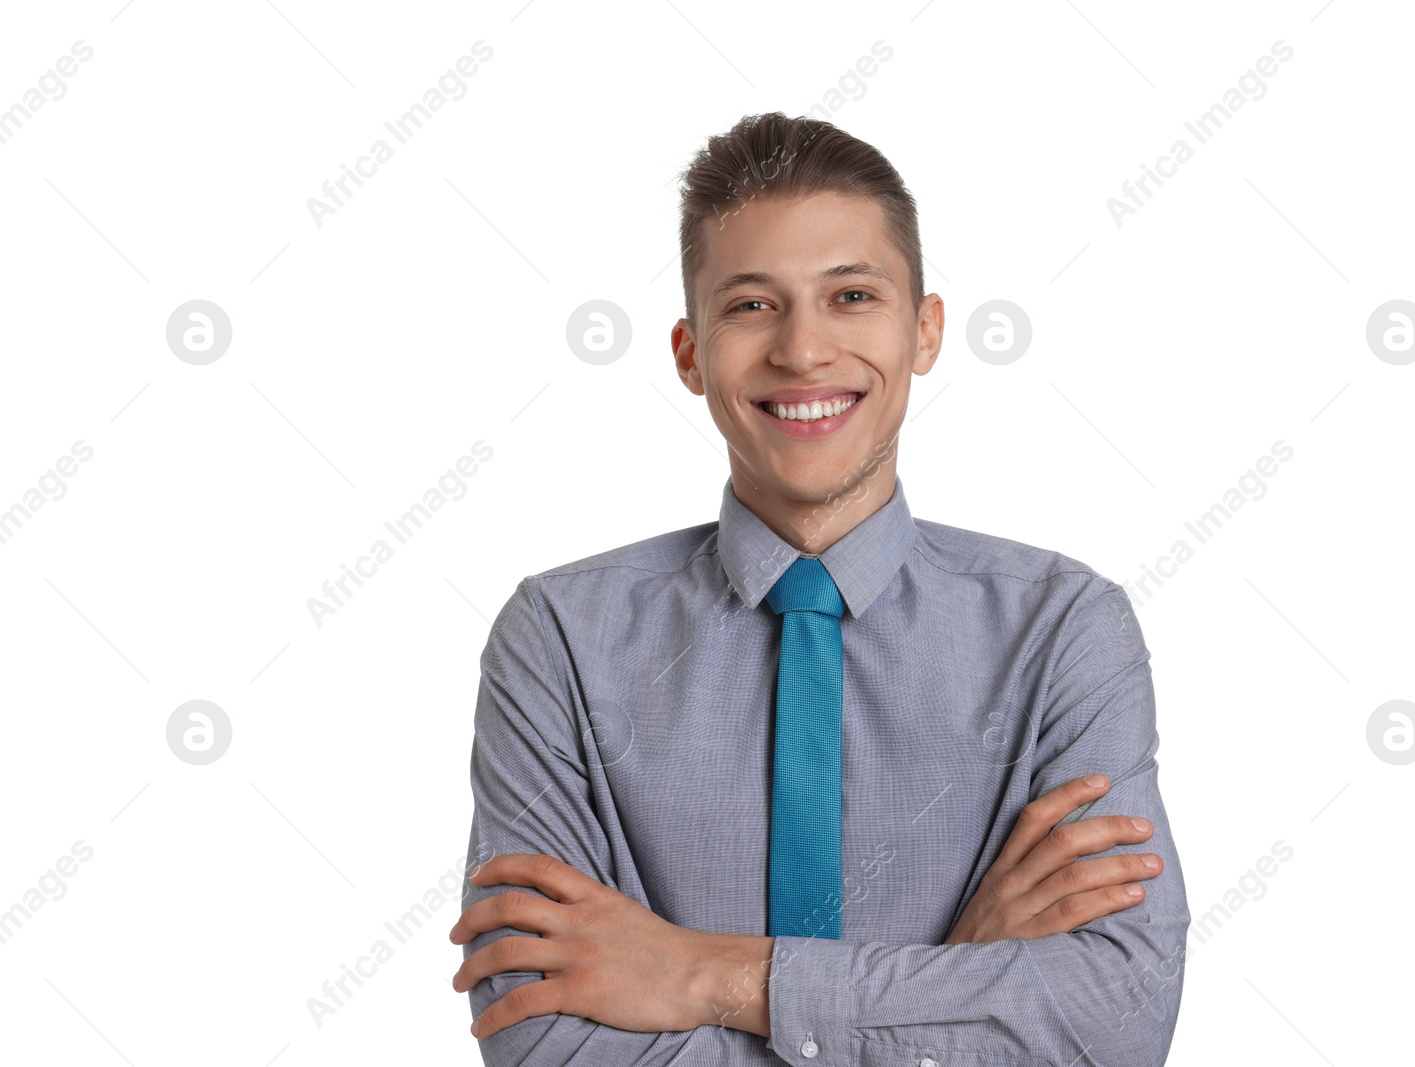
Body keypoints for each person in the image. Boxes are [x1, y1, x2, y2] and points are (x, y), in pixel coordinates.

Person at [448, 111, 1189, 1066]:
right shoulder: (558, 640)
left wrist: (708, 974)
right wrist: (953, 976)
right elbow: (542, 1040)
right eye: (752, 305)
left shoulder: (1064, 632)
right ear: (689, 352)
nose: (802, 351)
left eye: (850, 295)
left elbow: (1115, 1021)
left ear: (923, 331)